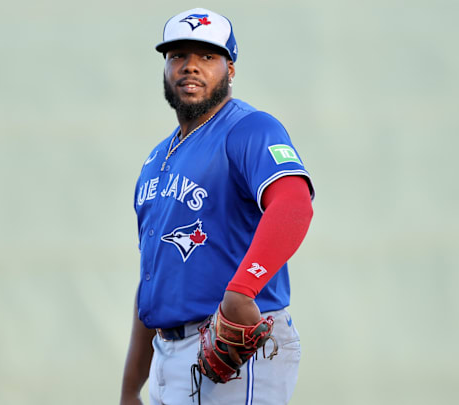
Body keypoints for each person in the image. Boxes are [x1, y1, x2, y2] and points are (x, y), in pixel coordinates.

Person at [120, 8, 314, 405]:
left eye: (207, 56)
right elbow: (153, 278)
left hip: (233, 347)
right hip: (165, 357)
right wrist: (130, 388)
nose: (190, 66)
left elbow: (294, 203)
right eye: (178, 56)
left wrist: (244, 289)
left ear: (231, 68)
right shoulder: (156, 160)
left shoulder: (249, 128)